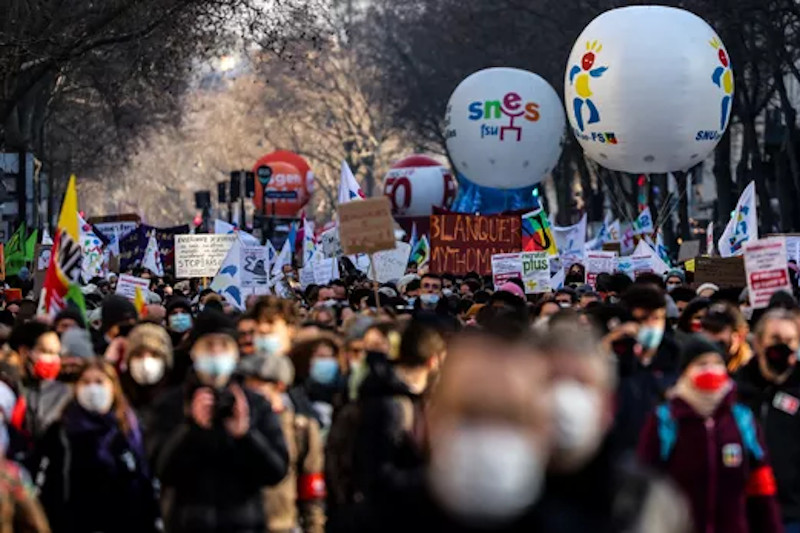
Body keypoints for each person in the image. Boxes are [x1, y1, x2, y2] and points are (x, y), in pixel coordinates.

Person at [379, 325, 553, 532]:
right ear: (430, 419)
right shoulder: (374, 521)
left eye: (509, 416)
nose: (489, 434)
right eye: (471, 414)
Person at [538, 320, 690, 533]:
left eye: (581, 383)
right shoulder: (493, 502)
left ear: (608, 405)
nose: (564, 397)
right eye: (550, 381)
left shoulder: (648, 502)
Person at [149, 309, 288, 533]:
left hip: (244, 523)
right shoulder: (170, 404)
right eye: (208, 345)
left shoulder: (255, 404)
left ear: (235, 353)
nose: (215, 351)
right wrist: (191, 429)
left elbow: (276, 471)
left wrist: (246, 435)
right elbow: (162, 470)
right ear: (194, 352)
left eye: (223, 345)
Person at [638, 335, 782, 533]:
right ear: (685, 371)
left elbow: (761, 487)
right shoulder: (666, 420)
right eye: (702, 364)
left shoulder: (741, 419)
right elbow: (646, 485)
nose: (710, 370)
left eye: (716, 363)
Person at [34, 359, 159, 533]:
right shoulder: (59, 432)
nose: (93, 389)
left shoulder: (130, 431)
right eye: (86, 382)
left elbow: (143, 483)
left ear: (113, 388)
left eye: (99, 382)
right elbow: (46, 487)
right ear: (76, 388)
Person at [240, 353, 326, 533]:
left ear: (279, 386)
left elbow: (311, 488)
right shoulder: (236, 424)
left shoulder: (300, 427)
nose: (249, 388)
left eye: (258, 382)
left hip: (280, 525)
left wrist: (314, 527)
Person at [736, 309, 800, 532]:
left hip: (791, 515)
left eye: (789, 340)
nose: (782, 346)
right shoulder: (735, 391)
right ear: (759, 342)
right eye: (775, 339)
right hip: (742, 513)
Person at [610, 285, 679, 453]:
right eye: (642, 319)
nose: (651, 325)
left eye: (656, 318)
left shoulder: (676, 357)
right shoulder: (613, 358)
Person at [9, 322, 71, 442]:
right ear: (24, 352)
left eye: (57, 353)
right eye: (47, 352)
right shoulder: (8, 389)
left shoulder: (62, 393)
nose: (55, 360)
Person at [288, 335, 344, 434]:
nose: (327, 362)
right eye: (321, 357)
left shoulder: (344, 392)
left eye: (330, 357)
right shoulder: (295, 393)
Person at [120, 323, 172, 426]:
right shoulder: (118, 395)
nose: (146, 362)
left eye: (154, 355)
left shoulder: (177, 399)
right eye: (138, 355)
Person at [700, 302, 753, 373]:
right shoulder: (694, 367)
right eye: (705, 329)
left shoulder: (752, 370)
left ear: (739, 335)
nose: (709, 337)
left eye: (716, 330)